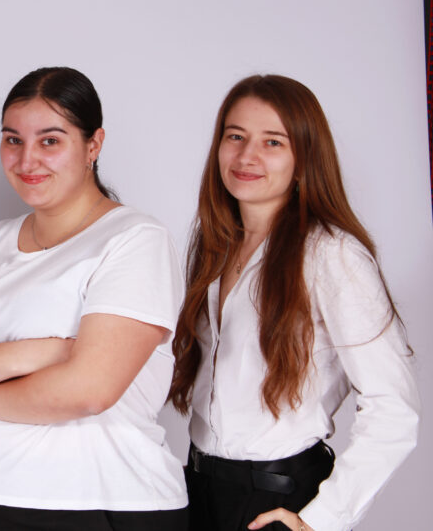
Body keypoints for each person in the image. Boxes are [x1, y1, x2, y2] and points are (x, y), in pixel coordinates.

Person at [0, 67, 189, 530]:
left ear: (93, 145)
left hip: (96, 505)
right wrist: (46, 352)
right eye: (13, 140)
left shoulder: (135, 240)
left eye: (50, 141)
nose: (27, 159)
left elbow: (88, 391)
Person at [168, 75, 419, 531]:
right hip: (199, 489)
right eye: (236, 136)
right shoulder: (217, 248)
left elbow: (394, 408)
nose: (247, 156)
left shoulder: (332, 255)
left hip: (278, 502)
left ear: (304, 158)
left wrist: (319, 521)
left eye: (273, 142)